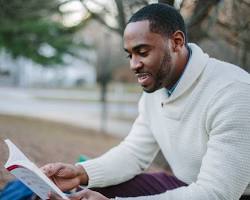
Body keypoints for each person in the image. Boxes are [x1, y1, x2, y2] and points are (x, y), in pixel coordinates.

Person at [42, 3, 250, 200]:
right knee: (91, 189)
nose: (134, 64)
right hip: (186, 185)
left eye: (142, 52)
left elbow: (216, 194)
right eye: (130, 55)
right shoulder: (157, 91)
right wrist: (80, 173)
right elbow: (133, 153)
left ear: (176, 42)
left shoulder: (234, 93)